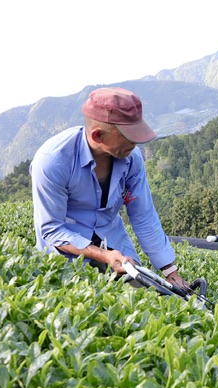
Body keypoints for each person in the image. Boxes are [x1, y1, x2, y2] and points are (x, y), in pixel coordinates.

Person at [30, 87, 196, 293]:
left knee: (142, 296)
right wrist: (104, 255)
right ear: (98, 135)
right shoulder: (53, 162)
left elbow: (143, 216)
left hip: (113, 240)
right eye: (129, 136)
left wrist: (170, 271)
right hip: (65, 250)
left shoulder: (131, 158)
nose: (135, 143)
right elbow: (52, 229)